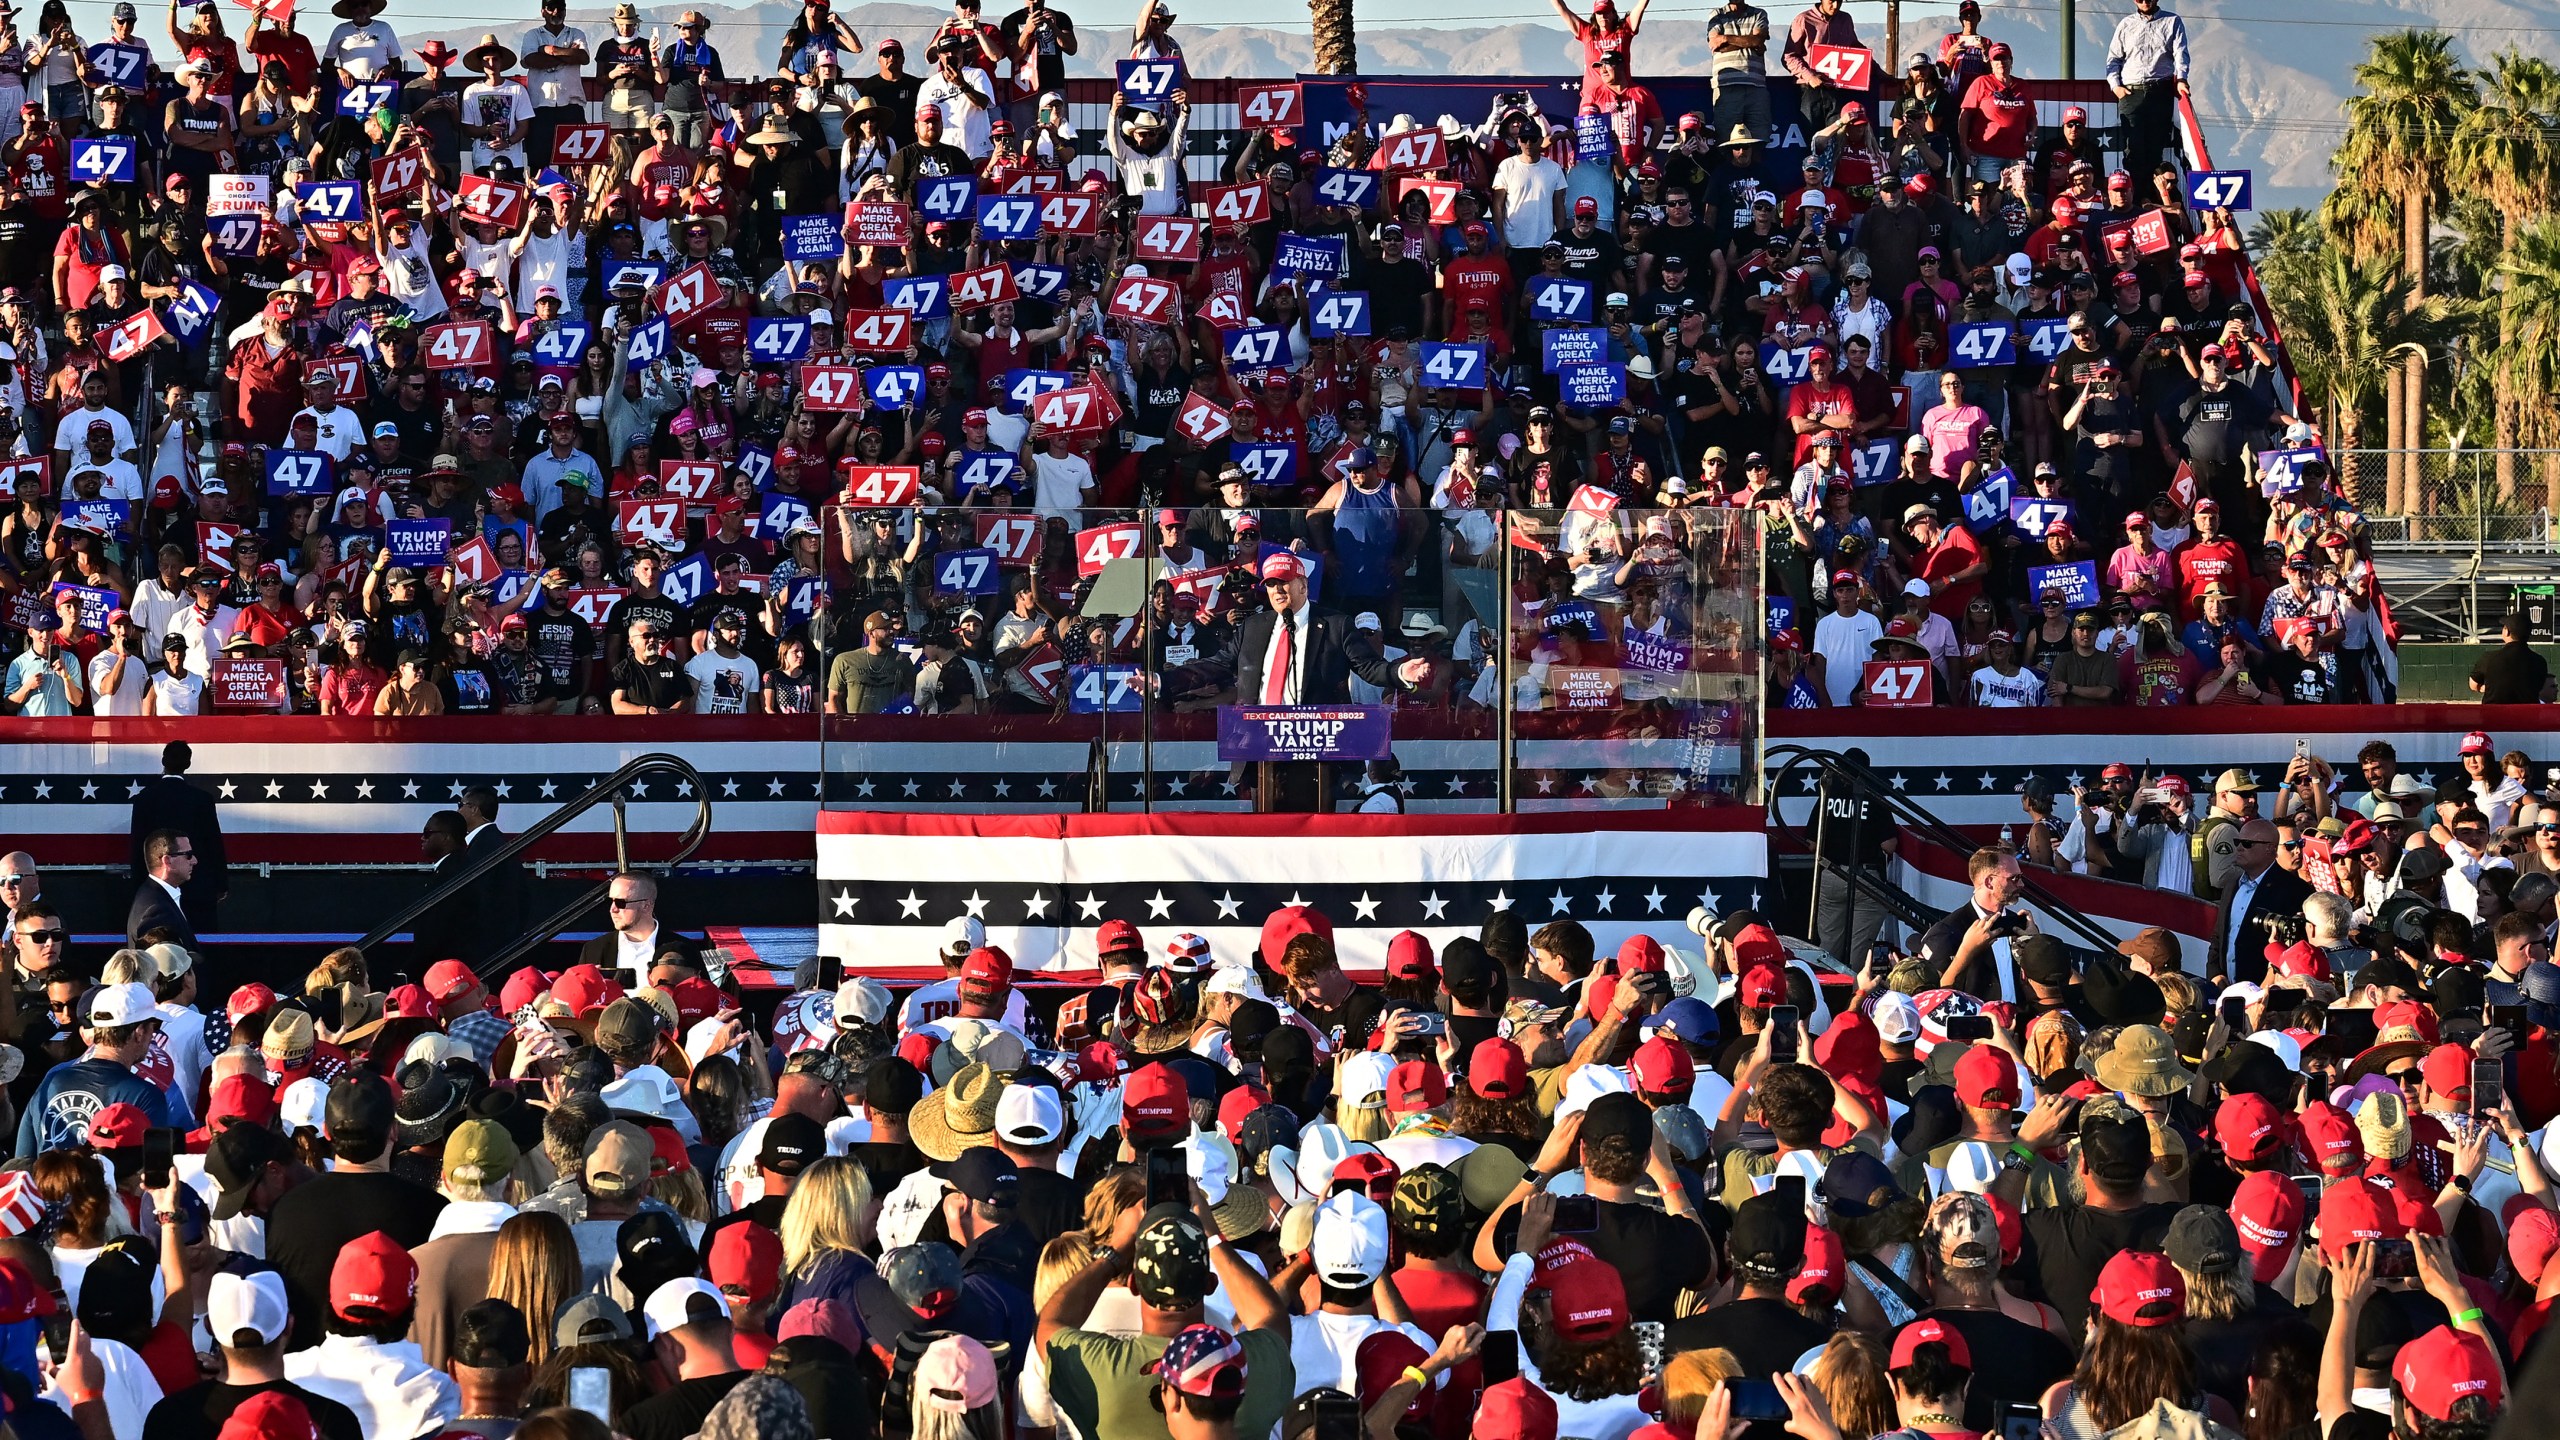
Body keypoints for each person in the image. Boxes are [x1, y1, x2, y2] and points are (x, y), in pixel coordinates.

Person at [128, 740, 225, 935]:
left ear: (163, 761)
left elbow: (139, 845)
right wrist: (221, 883)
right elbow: (213, 842)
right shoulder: (202, 799)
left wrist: (139, 884)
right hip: (199, 889)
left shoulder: (145, 798)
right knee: (203, 946)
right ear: (188, 764)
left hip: (157, 889)